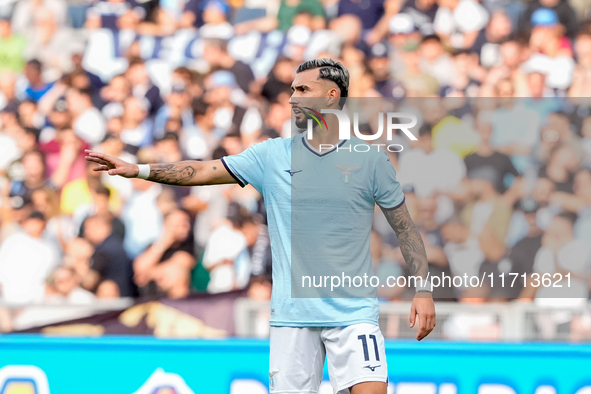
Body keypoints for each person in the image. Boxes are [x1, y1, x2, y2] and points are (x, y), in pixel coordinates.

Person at [85, 58, 435, 394]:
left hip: (353, 311)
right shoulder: (271, 155)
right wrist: (140, 169)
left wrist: (423, 289)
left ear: (331, 96)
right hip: (292, 316)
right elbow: (204, 170)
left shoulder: (370, 160)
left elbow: (404, 228)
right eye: (292, 89)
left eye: (302, 89)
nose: (293, 97)